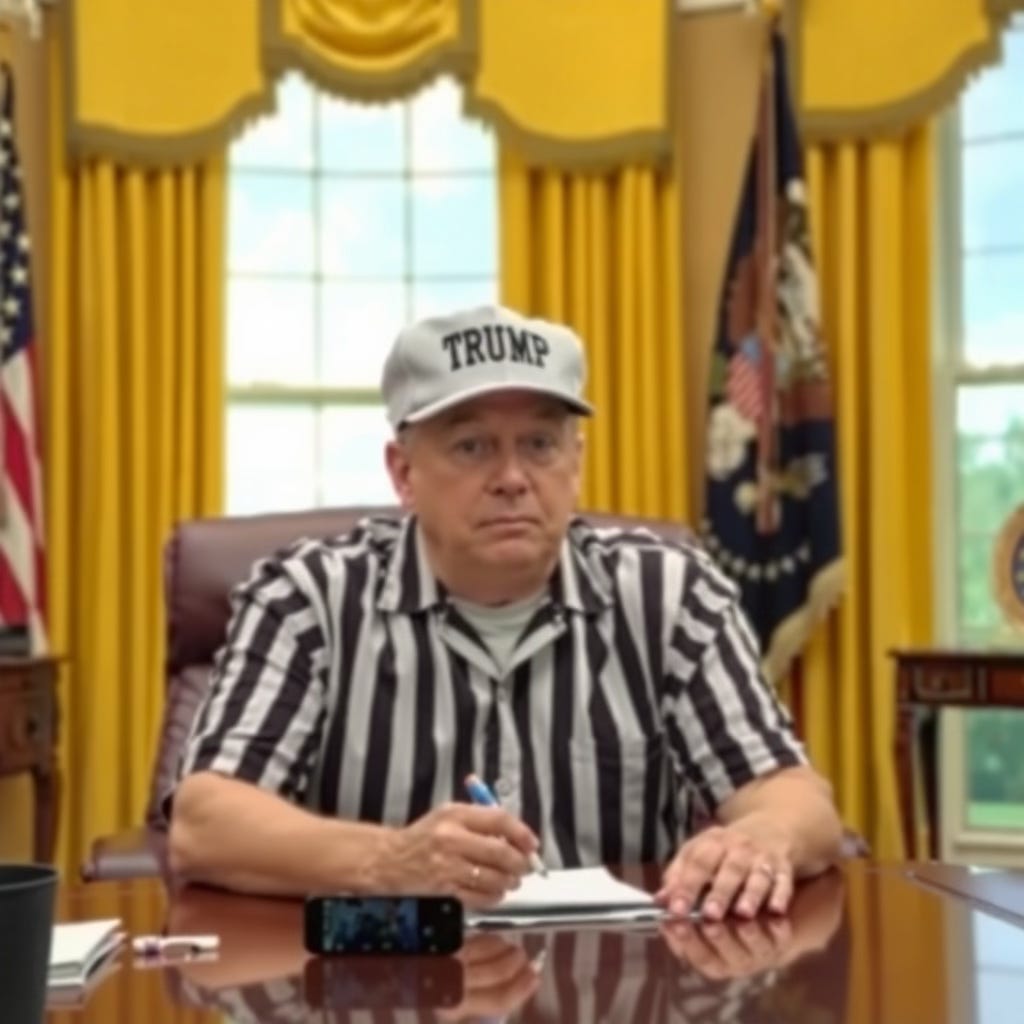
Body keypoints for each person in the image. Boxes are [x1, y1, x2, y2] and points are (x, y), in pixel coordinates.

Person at [168, 304, 842, 921]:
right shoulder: (306, 600)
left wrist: (762, 837)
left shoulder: (671, 596)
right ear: (403, 473)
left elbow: (797, 798)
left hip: (620, 982)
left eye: (540, 445)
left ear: (576, 463)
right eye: (472, 446)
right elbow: (205, 823)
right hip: (385, 978)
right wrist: (391, 862)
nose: (513, 478)